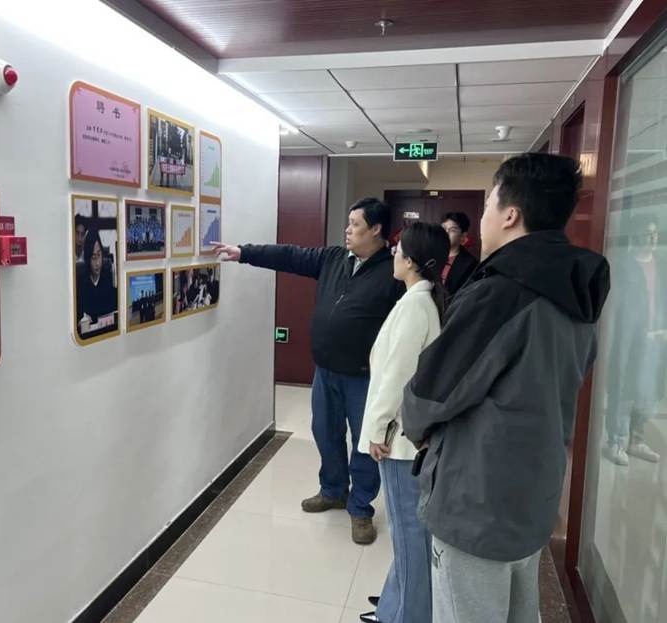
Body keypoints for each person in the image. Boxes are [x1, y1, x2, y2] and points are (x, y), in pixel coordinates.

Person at [401, 153, 610, 623]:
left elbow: (432, 393)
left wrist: (415, 429)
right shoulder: (576, 290)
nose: (483, 218)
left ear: (511, 214)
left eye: (488, 205)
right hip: (532, 491)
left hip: (477, 499)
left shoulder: (502, 292)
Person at [213, 197, 404, 545]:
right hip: (326, 370)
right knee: (324, 432)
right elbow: (290, 256)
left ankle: (361, 507)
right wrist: (244, 252)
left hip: (364, 376)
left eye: (355, 224)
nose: (347, 230)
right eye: (348, 223)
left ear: (376, 229)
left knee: (364, 442)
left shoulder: (393, 272)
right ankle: (333, 490)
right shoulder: (334, 259)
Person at [358, 223, 450, 623]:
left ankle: (409, 614)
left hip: (399, 441)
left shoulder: (416, 306)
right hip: (409, 436)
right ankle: (393, 607)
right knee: (409, 534)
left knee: (409, 536)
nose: (393, 254)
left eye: (397, 249)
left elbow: (396, 376)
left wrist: (377, 430)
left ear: (410, 260)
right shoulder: (422, 299)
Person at [604, 212, 665, 465]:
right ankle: (616, 441)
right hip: (627, 339)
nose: (651, 238)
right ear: (635, 235)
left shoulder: (661, 264)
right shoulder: (622, 265)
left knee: (647, 390)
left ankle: (636, 440)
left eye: (654, 233)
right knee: (623, 387)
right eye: (646, 233)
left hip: (654, 338)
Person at [77, 229, 117, 333]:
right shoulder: (81, 281)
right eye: (93, 257)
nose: (97, 263)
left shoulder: (108, 276)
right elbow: (78, 316)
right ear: (87, 258)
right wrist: (80, 320)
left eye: (99, 255)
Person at [440, 212, 478, 298]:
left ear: (463, 236)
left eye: (452, 230)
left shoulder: (470, 264)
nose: (446, 233)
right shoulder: (431, 254)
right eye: (443, 228)